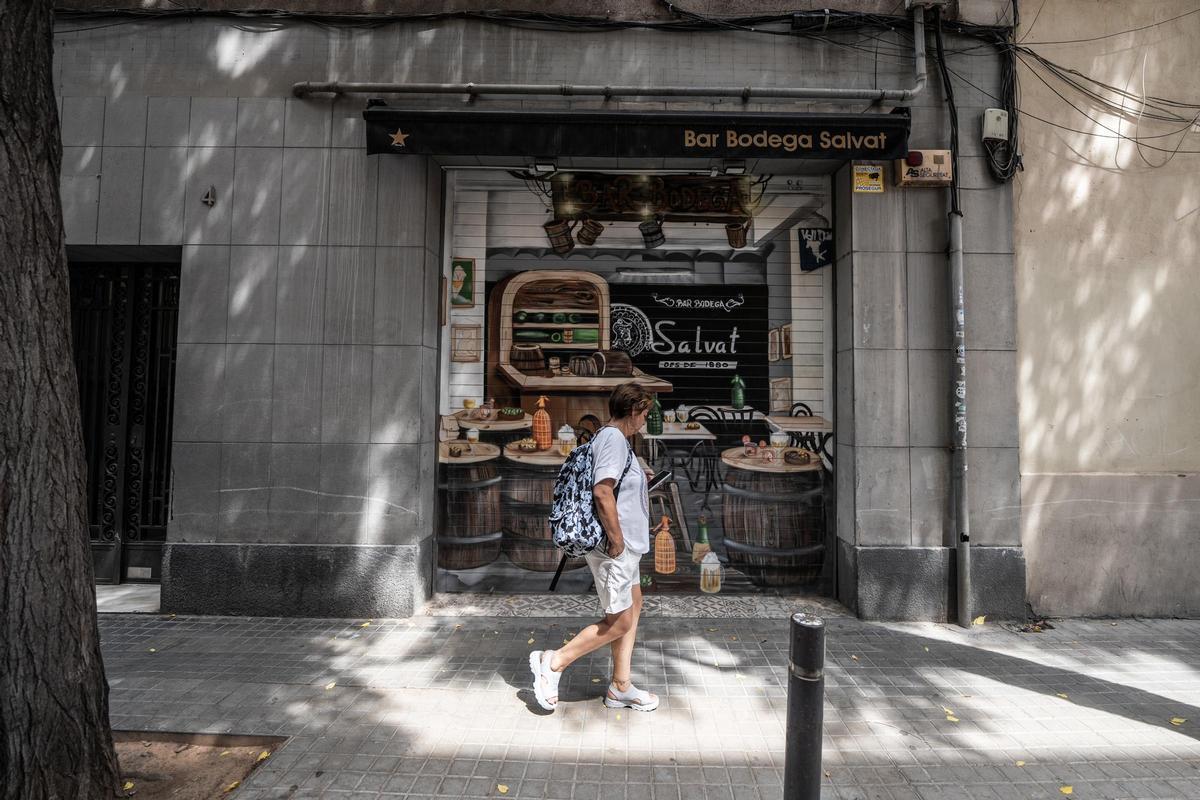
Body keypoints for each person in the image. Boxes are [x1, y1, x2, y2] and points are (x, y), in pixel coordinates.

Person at [530, 383, 660, 713]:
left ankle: (620, 687)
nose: (646, 420)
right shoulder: (615, 440)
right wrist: (616, 541)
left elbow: (613, 485)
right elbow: (603, 491)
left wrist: (638, 473)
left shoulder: (611, 439)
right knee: (618, 621)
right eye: (645, 413)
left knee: (633, 605)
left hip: (625, 546)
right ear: (634, 411)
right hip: (615, 546)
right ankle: (553, 662)